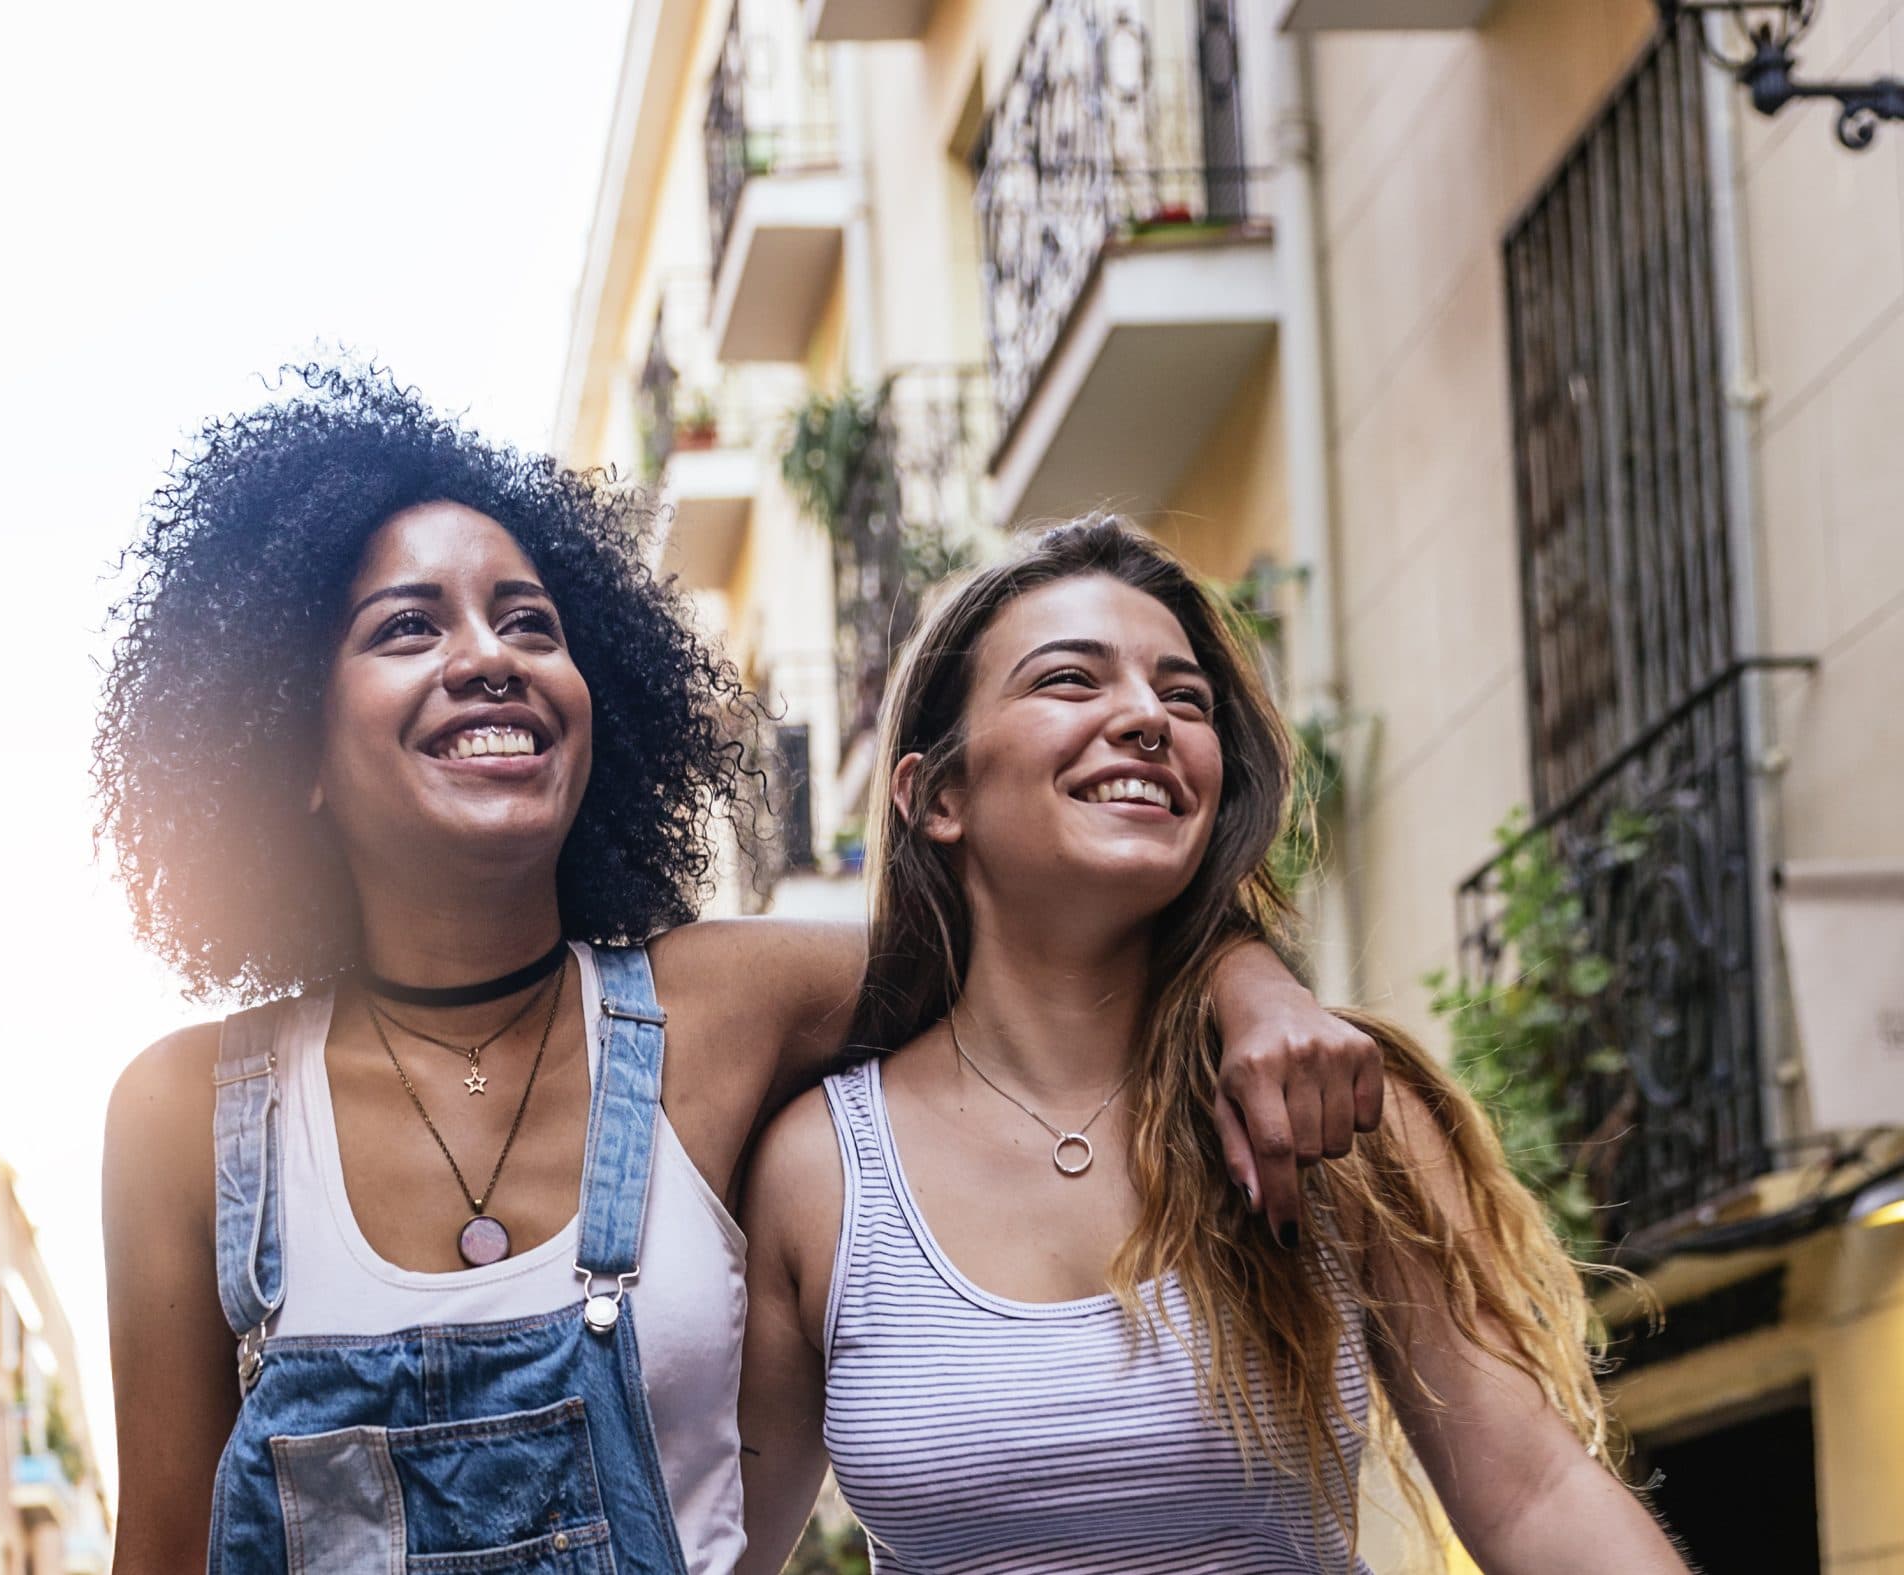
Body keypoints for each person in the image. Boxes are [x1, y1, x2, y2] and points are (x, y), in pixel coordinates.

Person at [95, 367, 1383, 1574]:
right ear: (287, 748)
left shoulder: (728, 1004)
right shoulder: (190, 1117)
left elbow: (1056, 929)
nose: (487, 655)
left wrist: (1250, 984)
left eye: (532, 623)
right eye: (406, 628)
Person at [735, 518, 1687, 1574]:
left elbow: (1534, 1491)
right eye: (1069, 682)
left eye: (1182, 698)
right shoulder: (819, 1172)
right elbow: (723, 1545)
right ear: (936, 796)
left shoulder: (1325, 1105)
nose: (1146, 716)